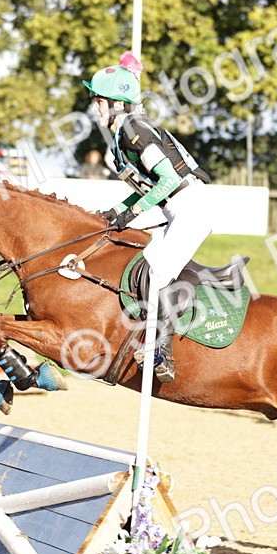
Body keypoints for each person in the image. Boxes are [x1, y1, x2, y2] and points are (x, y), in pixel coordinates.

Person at [86, 51, 213, 384]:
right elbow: (146, 186)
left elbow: (168, 179)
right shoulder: (121, 136)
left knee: (156, 270)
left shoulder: (133, 129)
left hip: (189, 204)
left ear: (116, 103)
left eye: (98, 100)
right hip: (173, 206)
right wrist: (118, 212)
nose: (94, 107)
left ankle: (162, 352)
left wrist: (133, 212)